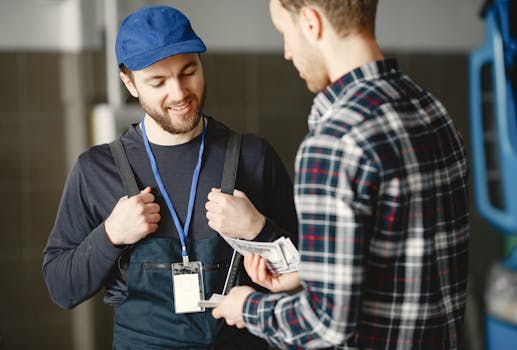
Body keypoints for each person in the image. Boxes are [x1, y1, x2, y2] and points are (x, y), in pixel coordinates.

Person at [211, 1, 470, 349]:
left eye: (285, 33)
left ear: (311, 22)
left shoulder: (335, 142)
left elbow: (327, 324)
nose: (287, 52)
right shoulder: (430, 108)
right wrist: (309, 275)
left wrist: (249, 307)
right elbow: (407, 259)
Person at [42, 5, 298, 349]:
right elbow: (62, 289)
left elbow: (314, 272)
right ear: (129, 82)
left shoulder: (253, 156)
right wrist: (110, 236)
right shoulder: (96, 169)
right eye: (158, 82)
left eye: (188, 71)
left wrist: (260, 229)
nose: (179, 94)